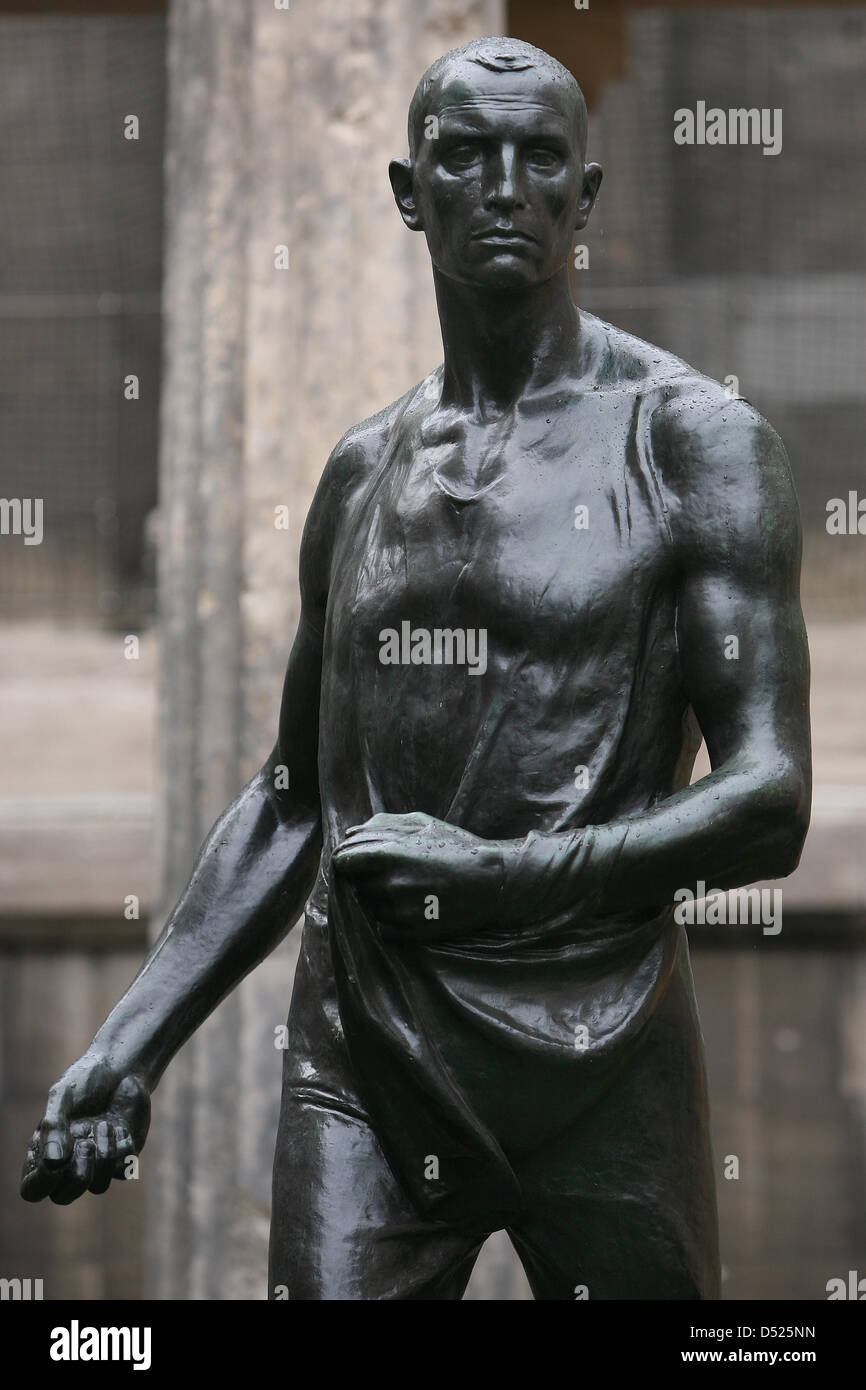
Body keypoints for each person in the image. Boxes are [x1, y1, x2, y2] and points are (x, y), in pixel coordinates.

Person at [21, 38, 811, 1300]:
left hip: (596, 1051)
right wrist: (129, 1041)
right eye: (465, 156)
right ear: (408, 188)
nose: (503, 187)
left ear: (584, 196)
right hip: (367, 1052)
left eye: (539, 158)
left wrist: (500, 880)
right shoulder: (360, 471)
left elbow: (769, 799)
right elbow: (292, 797)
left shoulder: (692, 444)